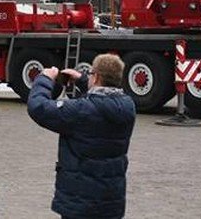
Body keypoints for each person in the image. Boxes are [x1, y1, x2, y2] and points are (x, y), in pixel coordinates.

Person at [26, 54, 136, 219]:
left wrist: (44, 79)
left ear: (97, 77)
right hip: (112, 198)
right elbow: (102, 101)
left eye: (91, 74)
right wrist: (83, 80)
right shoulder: (127, 106)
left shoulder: (81, 110)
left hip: (81, 199)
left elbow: (38, 108)